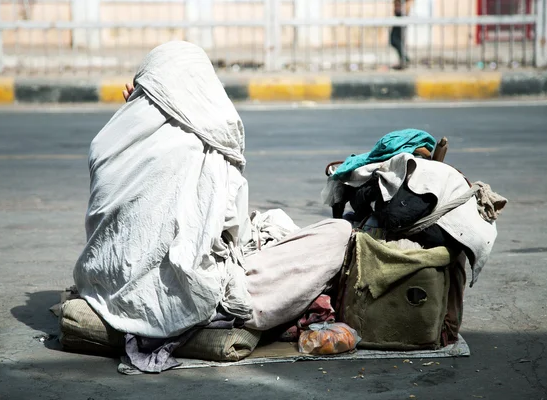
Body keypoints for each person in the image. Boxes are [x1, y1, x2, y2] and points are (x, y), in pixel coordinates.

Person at [74, 41, 352, 346]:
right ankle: (237, 317)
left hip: (106, 283)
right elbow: (231, 228)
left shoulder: (107, 141)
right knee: (337, 232)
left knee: (272, 219)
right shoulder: (203, 143)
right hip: (187, 300)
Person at [391, 0, 413, 70]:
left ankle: (404, 59)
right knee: (396, 39)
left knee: (394, 39)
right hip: (399, 14)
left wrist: (402, 7)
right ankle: (403, 59)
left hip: (402, 14)